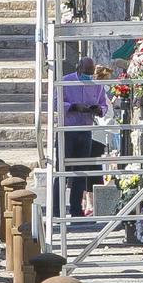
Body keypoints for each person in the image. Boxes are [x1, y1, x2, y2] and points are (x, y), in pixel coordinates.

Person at [60, 55, 107, 217]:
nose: (88, 74)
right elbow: (55, 102)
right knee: (61, 171)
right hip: (67, 130)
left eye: (91, 72)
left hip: (86, 130)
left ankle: (76, 211)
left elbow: (103, 105)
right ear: (78, 68)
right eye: (86, 71)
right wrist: (73, 107)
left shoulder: (95, 85)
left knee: (81, 172)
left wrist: (98, 110)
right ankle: (57, 209)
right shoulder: (65, 81)